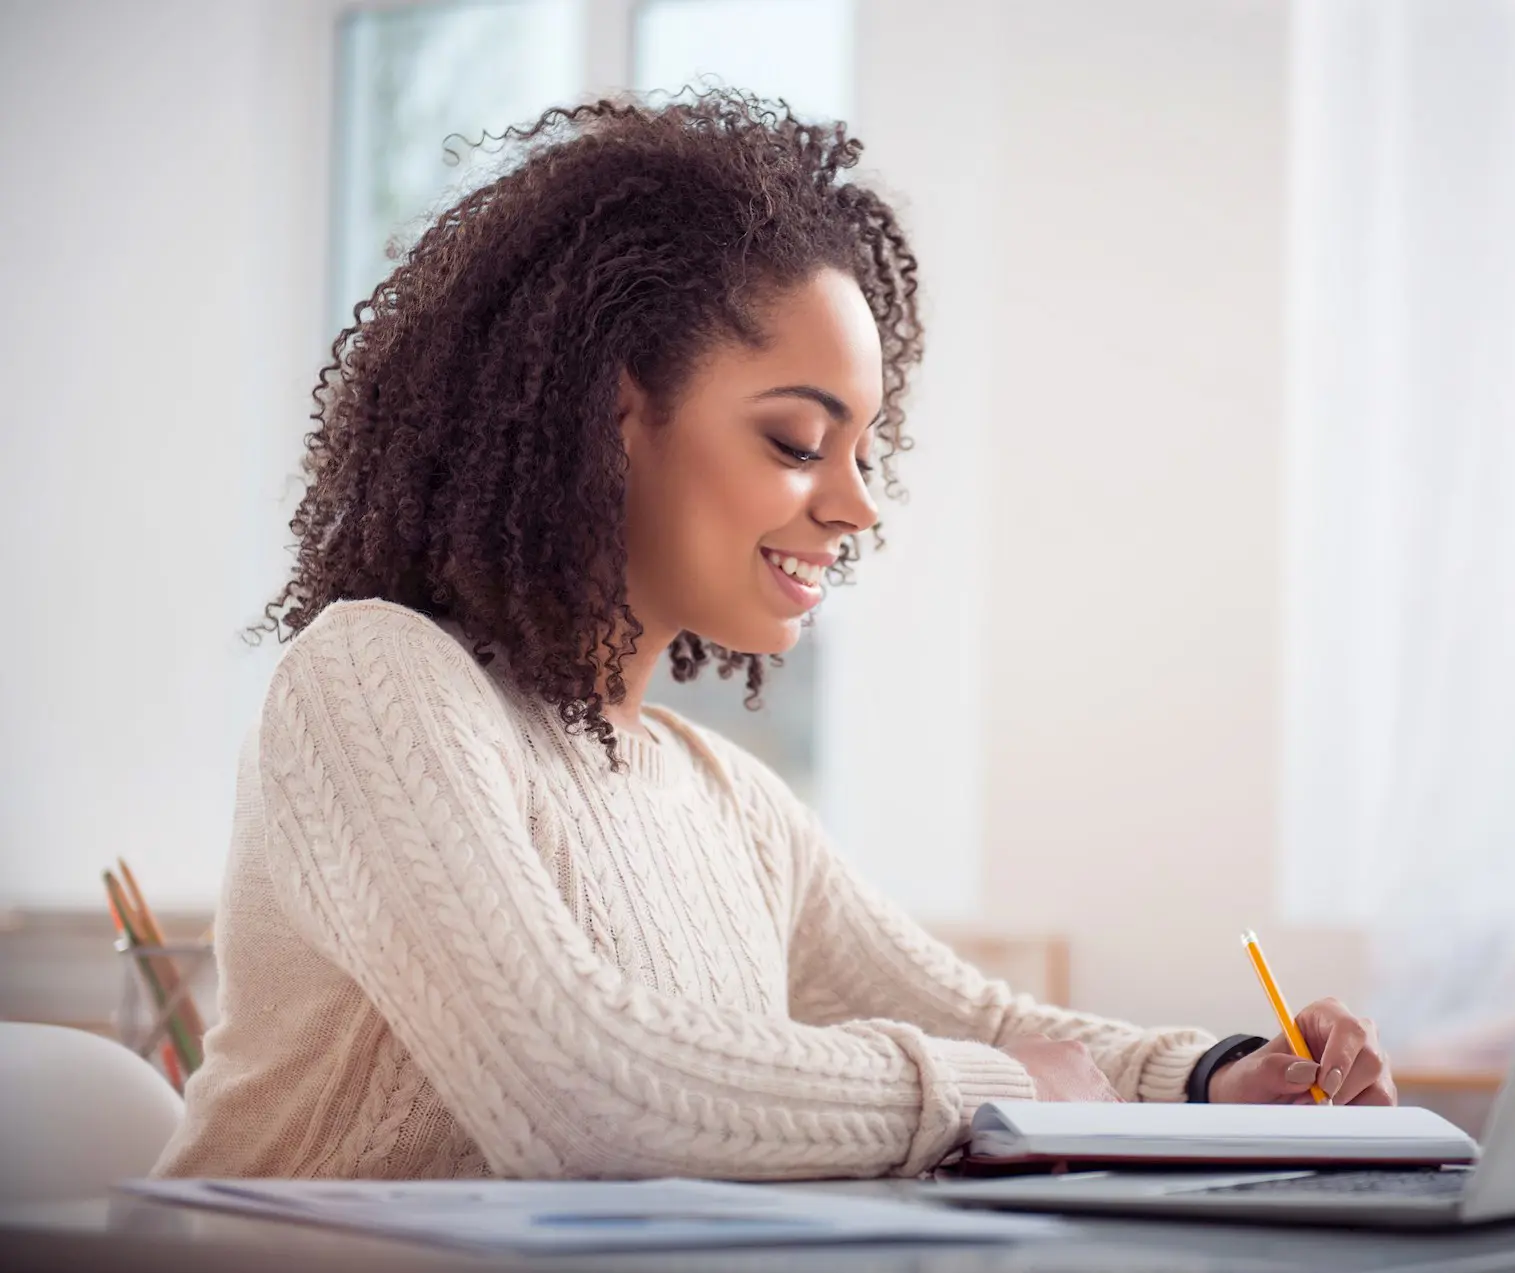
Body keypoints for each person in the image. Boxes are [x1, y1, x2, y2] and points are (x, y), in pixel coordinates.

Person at [155, 92, 1394, 1182]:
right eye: (799, 442)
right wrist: (987, 1092)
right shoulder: (375, 679)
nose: (857, 504)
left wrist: (1218, 1076)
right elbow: (573, 1088)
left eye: (863, 450)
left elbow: (988, 1025)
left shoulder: (730, 807)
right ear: (614, 413)